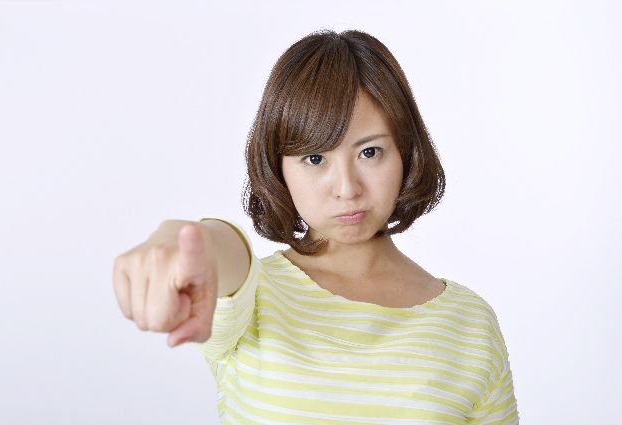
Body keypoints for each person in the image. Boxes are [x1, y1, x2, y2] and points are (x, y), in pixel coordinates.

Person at [113, 29, 519, 424]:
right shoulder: (253, 298)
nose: (347, 188)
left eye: (370, 152)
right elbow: (225, 259)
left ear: (405, 152)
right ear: (278, 167)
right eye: (315, 159)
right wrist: (186, 239)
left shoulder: (469, 324)